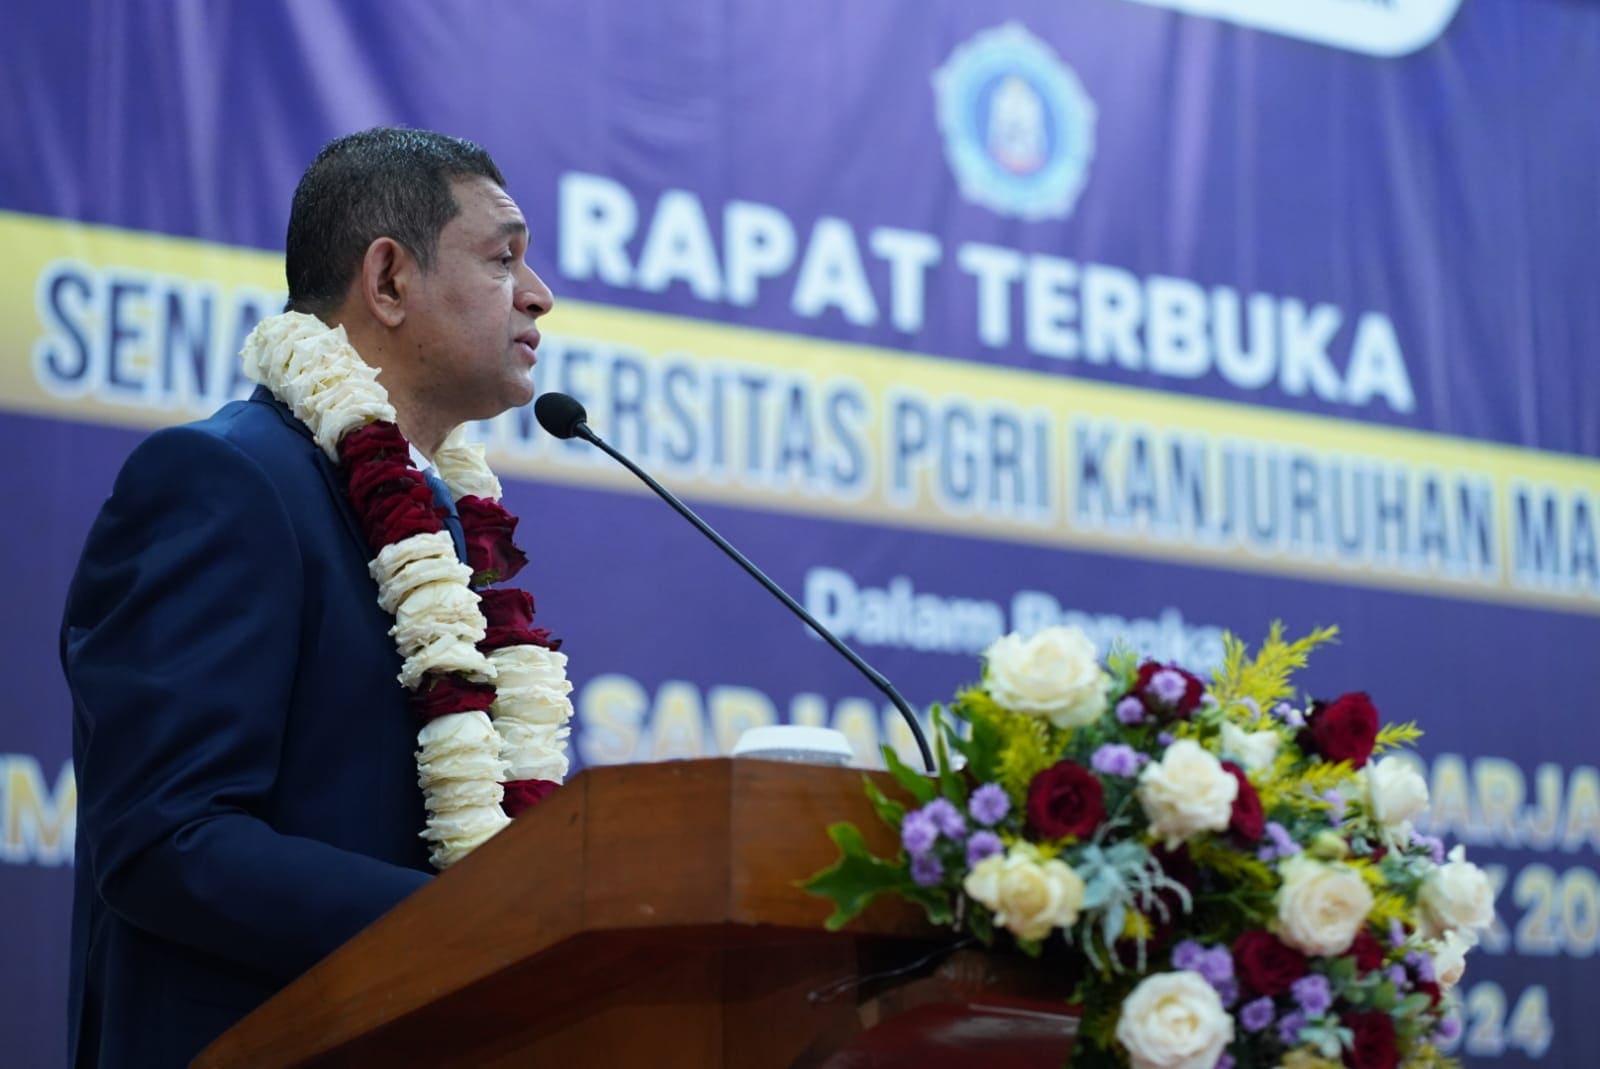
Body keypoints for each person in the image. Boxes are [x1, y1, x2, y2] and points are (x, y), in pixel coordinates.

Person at [60, 127, 555, 1068]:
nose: (539, 296)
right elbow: (168, 840)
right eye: (505, 259)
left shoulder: (443, 529)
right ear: (388, 280)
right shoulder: (219, 480)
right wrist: (481, 928)